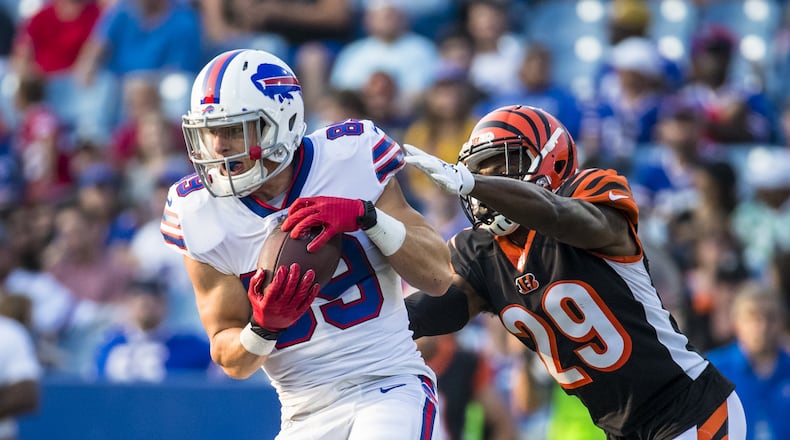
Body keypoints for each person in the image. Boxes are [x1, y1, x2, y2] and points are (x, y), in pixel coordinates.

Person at [403, 105, 747, 439]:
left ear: (552, 160)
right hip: (623, 430)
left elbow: (559, 215)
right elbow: (434, 309)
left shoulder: (589, 197)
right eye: (479, 172)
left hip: (688, 407)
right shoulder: (481, 253)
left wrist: (474, 183)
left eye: (502, 168)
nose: (487, 184)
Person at [160, 49, 452, 438]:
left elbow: (437, 276)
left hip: (389, 382)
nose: (218, 147)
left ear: (282, 122)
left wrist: (369, 217)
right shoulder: (197, 212)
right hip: (303, 411)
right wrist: (262, 328)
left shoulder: (351, 155)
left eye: (234, 130)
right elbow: (231, 360)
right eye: (210, 132)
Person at [706, 282, 790, 440]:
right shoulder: (713, 370)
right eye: (752, 317)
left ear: (782, 321)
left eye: (770, 317)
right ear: (736, 321)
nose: (762, 326)